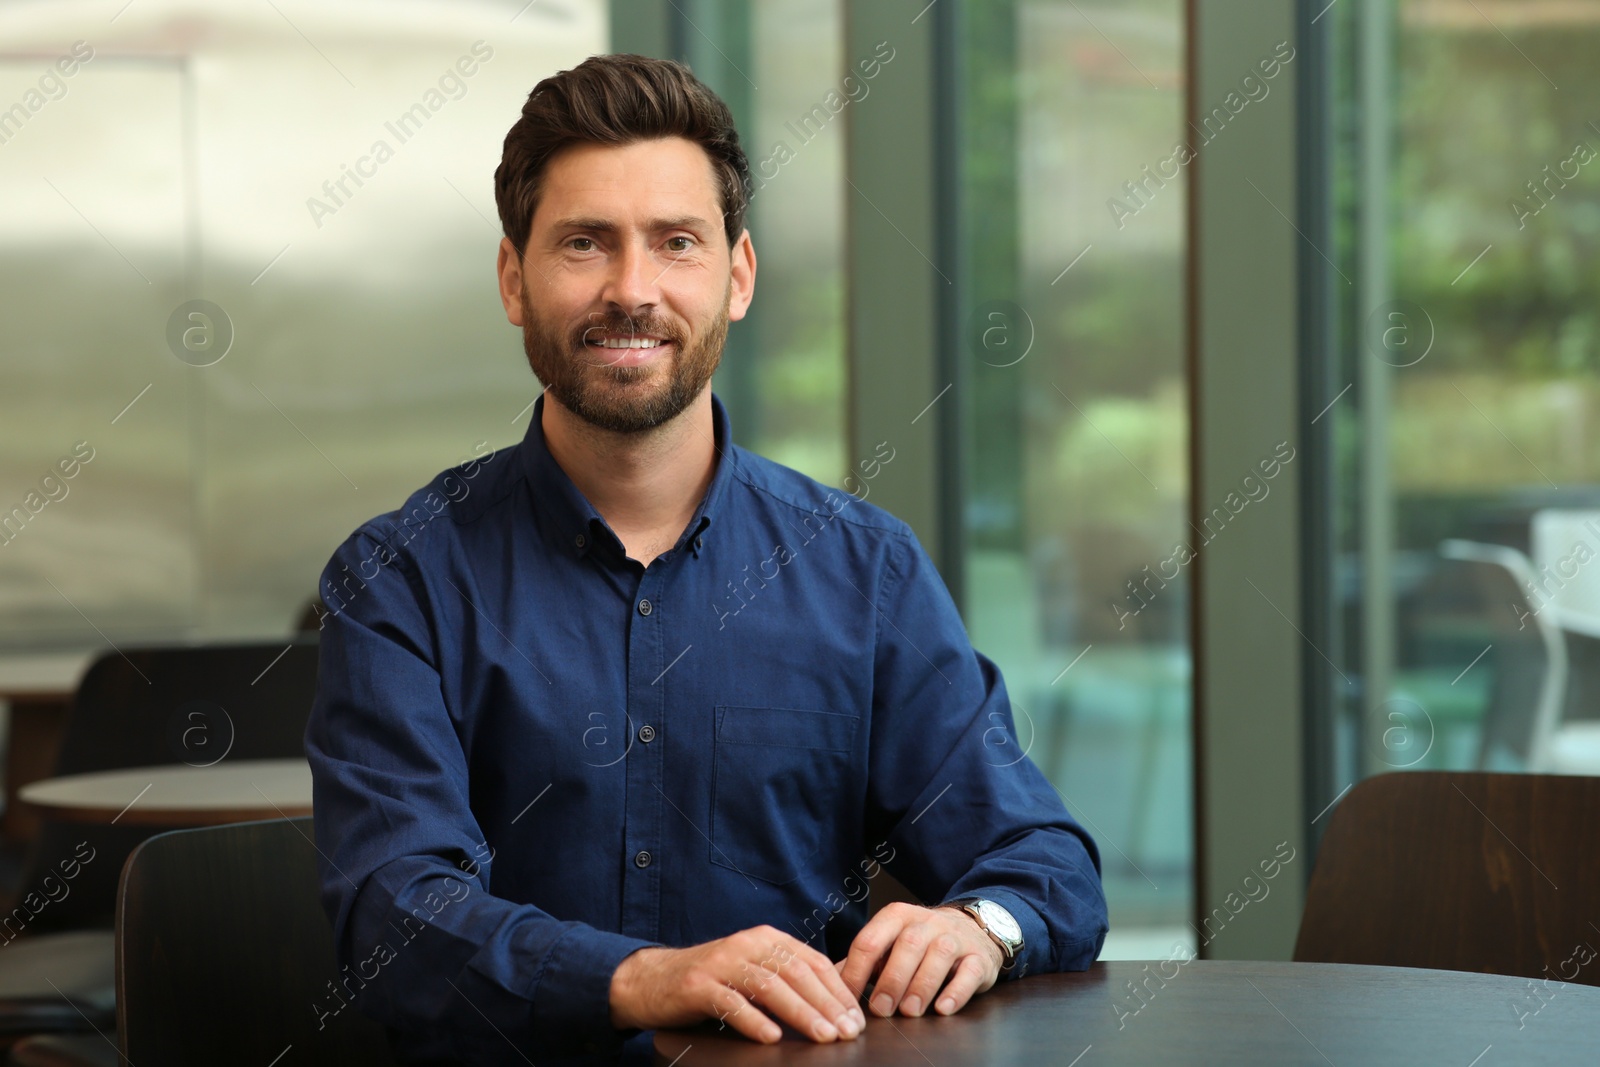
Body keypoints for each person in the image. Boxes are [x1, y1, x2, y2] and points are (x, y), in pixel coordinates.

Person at [305, 52, 1107, 1065]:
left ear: (737, 277)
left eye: (675, 242)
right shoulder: (401, 578)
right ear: (515, 280)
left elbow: (1043, 861)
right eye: (584, 243)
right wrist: (641, 978)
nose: (630, 290)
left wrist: (979, 927)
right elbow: (395, 918)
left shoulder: (864, 572)